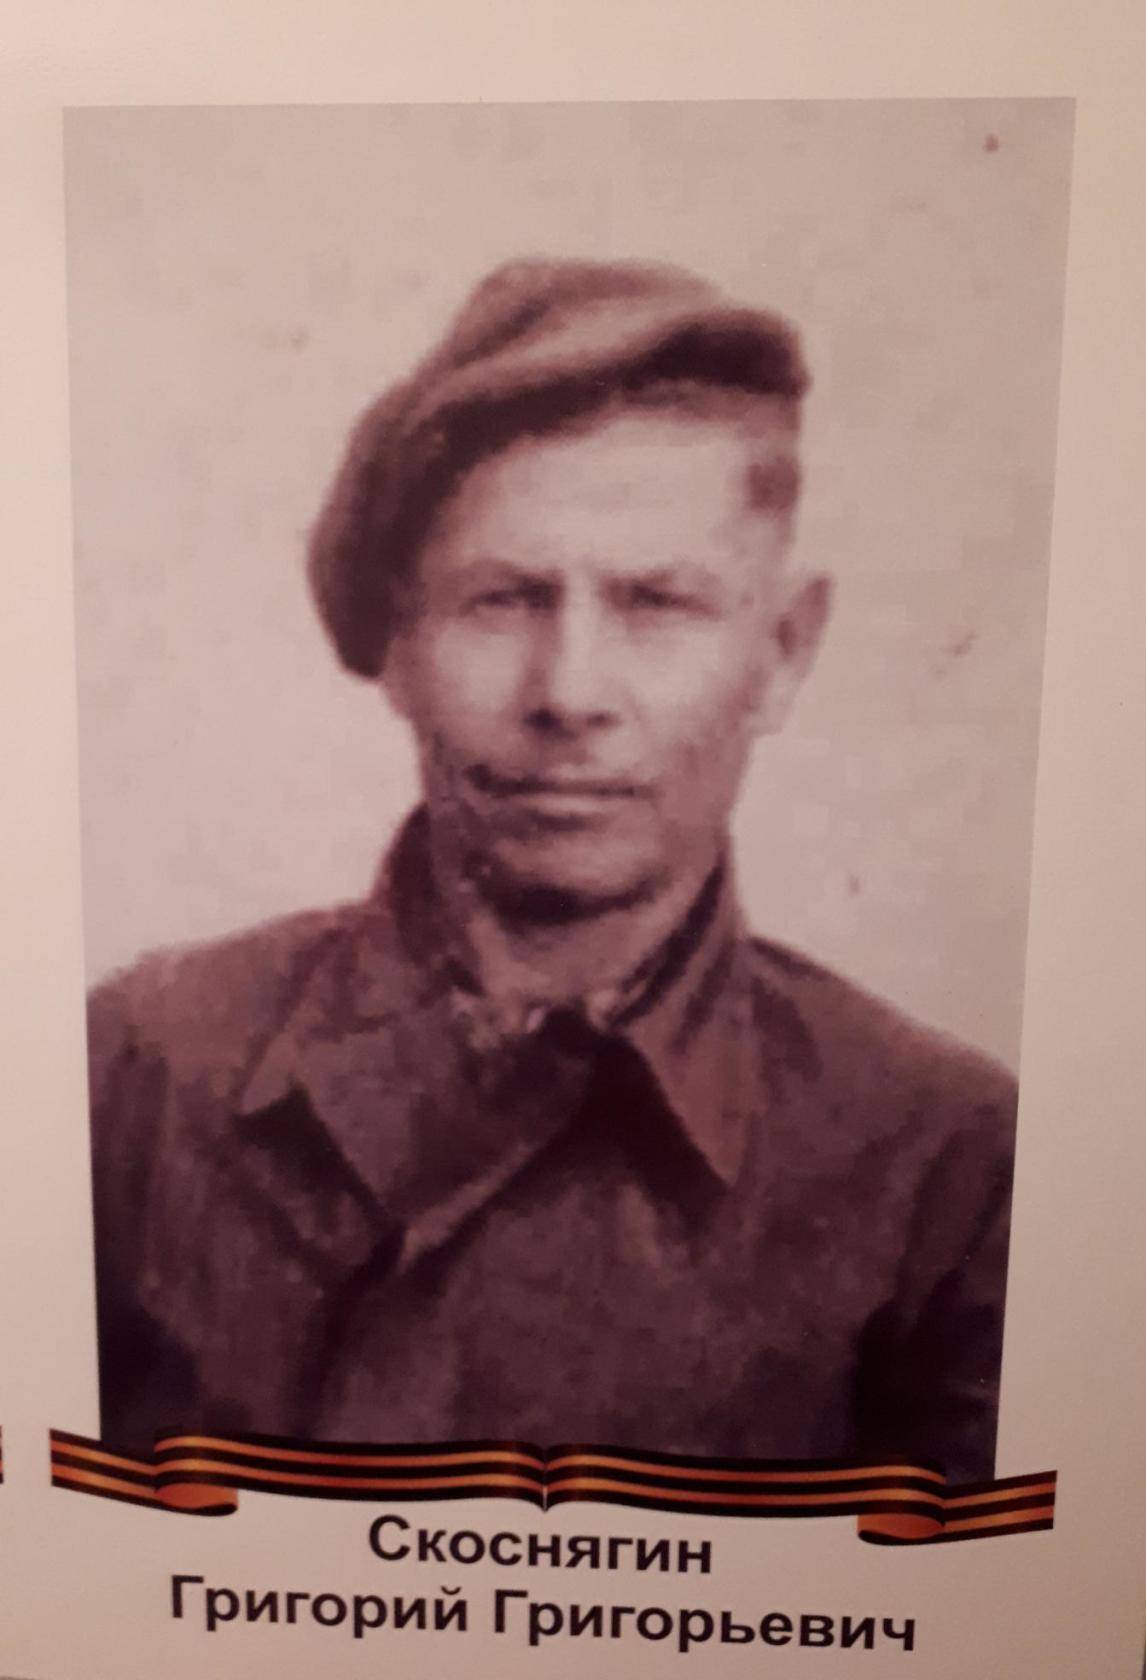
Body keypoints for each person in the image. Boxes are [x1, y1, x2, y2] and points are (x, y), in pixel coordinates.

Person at [87, 257, 1017, 1479]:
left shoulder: (952, 1169)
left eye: (658, 603)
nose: (570, 693)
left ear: (784, 652)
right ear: (397, 643)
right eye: (503, 600)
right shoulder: (134, 1070)